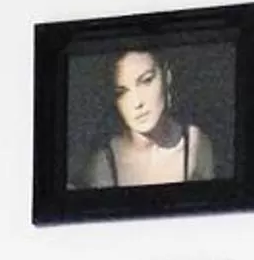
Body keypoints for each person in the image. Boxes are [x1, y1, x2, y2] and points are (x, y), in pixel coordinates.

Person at [77, 46, 216, 190]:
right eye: (122, 92)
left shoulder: (194, 143)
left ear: (166, 77)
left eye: (146, 81)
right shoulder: (104, 164)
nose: (137, 103)